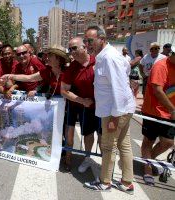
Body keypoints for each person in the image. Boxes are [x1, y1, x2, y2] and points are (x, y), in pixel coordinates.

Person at [83, 26, 136, 195]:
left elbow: (119, 88)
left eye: (90, 40)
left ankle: (105, 182)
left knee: (108, 146)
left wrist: (114, 117)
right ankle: (127, 182)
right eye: (86, 41)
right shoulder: (107, 55)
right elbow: (126, 69)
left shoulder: (109, 57)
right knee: (124, 145)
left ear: (102, 38)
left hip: (114, 110)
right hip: (120, 108)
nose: (87, 44)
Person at [60, 37, 101, 173]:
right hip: (87, 109)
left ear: (85, 46)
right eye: (70, 49)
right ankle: (88, 158)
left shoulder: (100, 60)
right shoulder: (72, 67)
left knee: (104, 138)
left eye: (74, 48)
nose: (72, 52)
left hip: (105, 108)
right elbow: (64, 91)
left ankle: (106, 165)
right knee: (88, 135)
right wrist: (82, 101)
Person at [140, 46, 175, 186]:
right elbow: (157, 90)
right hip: (154, 111)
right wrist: (172, 110)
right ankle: (147, 169)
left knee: (168, 142)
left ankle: (148, 160)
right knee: (148, 141)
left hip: (170, 113)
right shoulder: (161, 65)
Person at [0, 45, 69, 98]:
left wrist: (36, 90)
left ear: (58, 58)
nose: (47, 58)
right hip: (55, 103)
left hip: (67, 105)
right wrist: (9, 76)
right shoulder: (47, 71)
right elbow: (29, 78)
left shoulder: (68, 72)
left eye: (50, 55)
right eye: (19, 54)